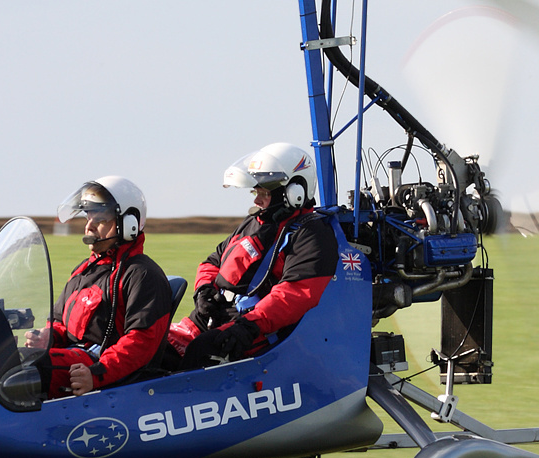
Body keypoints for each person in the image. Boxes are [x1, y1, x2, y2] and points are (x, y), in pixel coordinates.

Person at [167, 143, 338, 368]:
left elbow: (296, 293)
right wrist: (204, 290)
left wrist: (249, 326)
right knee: (159, 348)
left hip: (253, 330)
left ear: (294, 191)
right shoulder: (255, 222)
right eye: (256, 192)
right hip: (208, 319)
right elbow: (213, 261)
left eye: (264, 193)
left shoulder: (312, 234)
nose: (257, 201)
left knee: (200, 352)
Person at [21, 176, 172, 398]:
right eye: (88, 217)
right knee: (2, 359)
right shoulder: (83, 271)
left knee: (23, 370)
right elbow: (61, 323)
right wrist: (47, 337)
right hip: (77, 361)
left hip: (102, 371)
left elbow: (140, 343)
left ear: (128, 224)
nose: (89, 226)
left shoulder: (143, 275)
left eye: (99, 219)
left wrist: (97, 374)